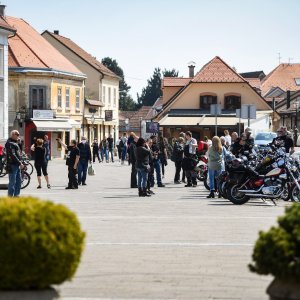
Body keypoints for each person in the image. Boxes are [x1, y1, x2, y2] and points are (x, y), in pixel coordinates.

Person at [5, 130, 24, 197]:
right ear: (12, 135)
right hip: (12, 165)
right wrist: (20, 163)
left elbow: (20, 152)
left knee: (18, 182)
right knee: (12, 182)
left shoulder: (15, 142)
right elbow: (12, 155)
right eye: (17, 134)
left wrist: (20, 143)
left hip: (17, 165)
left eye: (18, 134)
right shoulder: (9, 143)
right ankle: (10, 198)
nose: (18, 136)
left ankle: (16, 196)